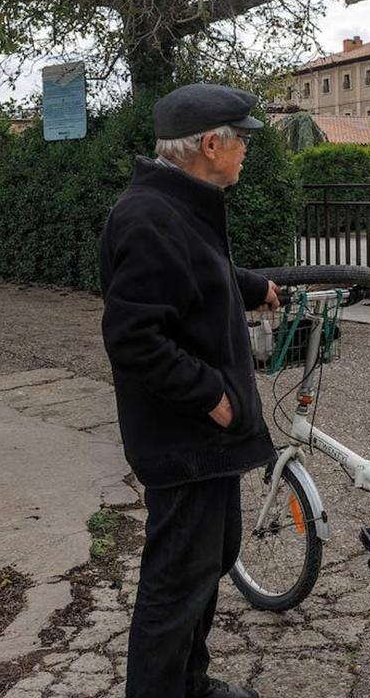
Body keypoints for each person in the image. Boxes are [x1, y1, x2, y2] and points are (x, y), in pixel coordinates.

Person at [99, 83, 280, 698]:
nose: (246, 152)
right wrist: (212, 395)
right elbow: (133, 337)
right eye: (242, 140)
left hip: (206, 441)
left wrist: (250, 285)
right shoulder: (150, 216)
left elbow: (196, 272)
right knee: (175, 584)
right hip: (186, 439)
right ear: (210, 144)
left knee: (209, 562)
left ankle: (190, 683)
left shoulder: (179, 204)